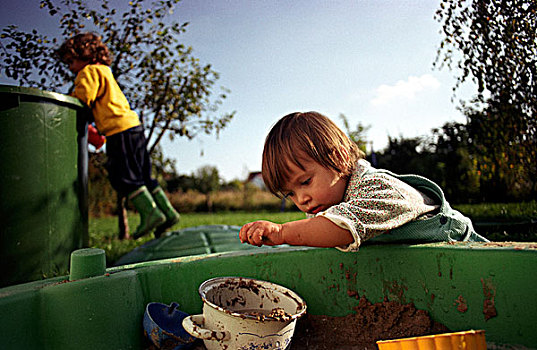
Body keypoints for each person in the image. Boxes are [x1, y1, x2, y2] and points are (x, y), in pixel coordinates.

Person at [239, 111, 488, 251]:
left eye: (305, 182)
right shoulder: (324, 206)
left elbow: (343, 227)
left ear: (338, 158)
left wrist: (282, 232)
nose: (301, 199)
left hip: (472, 259)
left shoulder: (377, 188)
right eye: (290, 194)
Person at [57, 32, 180, 238]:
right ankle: (168, 212)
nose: (70, 68)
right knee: (143, 176)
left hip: (118, 131)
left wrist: (67, 104)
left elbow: (82, 99)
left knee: (122, 175)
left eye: (71, 61)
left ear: (85, 54)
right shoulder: (105, 71)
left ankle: (150, 213)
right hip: (134, 127)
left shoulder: (87, 73)